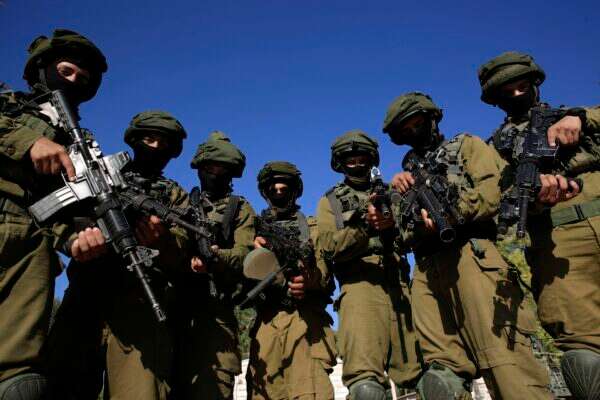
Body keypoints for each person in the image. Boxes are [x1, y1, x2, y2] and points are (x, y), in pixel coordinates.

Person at [381, 91, 574, 399]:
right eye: (405, 130)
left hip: (472, 255)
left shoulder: (467, 145)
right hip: (426, 270)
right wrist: (404, 204)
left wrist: (455, 210)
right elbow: (400, 233)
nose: (413, 132)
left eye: (417, 123)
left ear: (432, 119)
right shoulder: (406, 176)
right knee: (441, 380)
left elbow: (496, 190)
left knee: (505, 365)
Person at [478, 51, 600, 399]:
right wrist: (536, 199)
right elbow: (496, 199)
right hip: (558, 241)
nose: (517, 95)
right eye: (507, 92)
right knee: (583, 356)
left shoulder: (576, 116)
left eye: (522, 86)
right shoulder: (493, 150)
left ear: (535, 83)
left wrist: (580, 118)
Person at [46, 110, 190, 400]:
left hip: (140, 305)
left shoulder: (174, 195)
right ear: (134, 140)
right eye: (149, 139)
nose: (156, 148)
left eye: (164, 144)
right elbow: (54, 218)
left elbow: (184, 249)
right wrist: (77, 237)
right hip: (85, 297)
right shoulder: (98, 173)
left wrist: (164, 241)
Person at [0, 29, 107, 398]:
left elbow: (58, 208)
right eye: (66, 71)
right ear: (42, 69)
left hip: (32, 252)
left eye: (83, 78)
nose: (73, 81)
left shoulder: (80, 143)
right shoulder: (9, 107)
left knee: (19, 381)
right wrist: (29, 141)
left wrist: (77, 237)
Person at [316, 130, 423, 400]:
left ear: (372, 159)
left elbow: (414, 236)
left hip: (400, 285)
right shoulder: (331, 201)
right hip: (359, 286)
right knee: (366, 387)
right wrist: (365, 226)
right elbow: (328, 247)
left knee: (426, 377)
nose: (356, 164)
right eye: (350, 160)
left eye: (362, 158)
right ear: (340, 163)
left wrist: (392, 224)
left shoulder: (392, 193)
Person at [172, 131, 255, 399]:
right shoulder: (181, 202)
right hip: (174, 310)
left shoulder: (240, 208)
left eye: (223, 169)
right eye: (210, 168)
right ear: (200, 168)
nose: (216, 174)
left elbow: (245, 254)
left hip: (216, 314)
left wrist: (216, 258)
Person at [245, 161, 337, 399]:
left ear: (295, 191)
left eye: (284, 189)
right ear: (265, 193)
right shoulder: (252, 230)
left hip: (305, 323)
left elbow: (325, 274)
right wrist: (254, 255)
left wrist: (308, 280)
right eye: (273, 190)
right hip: (266, 323)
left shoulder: (313, 228)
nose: (279, 193)